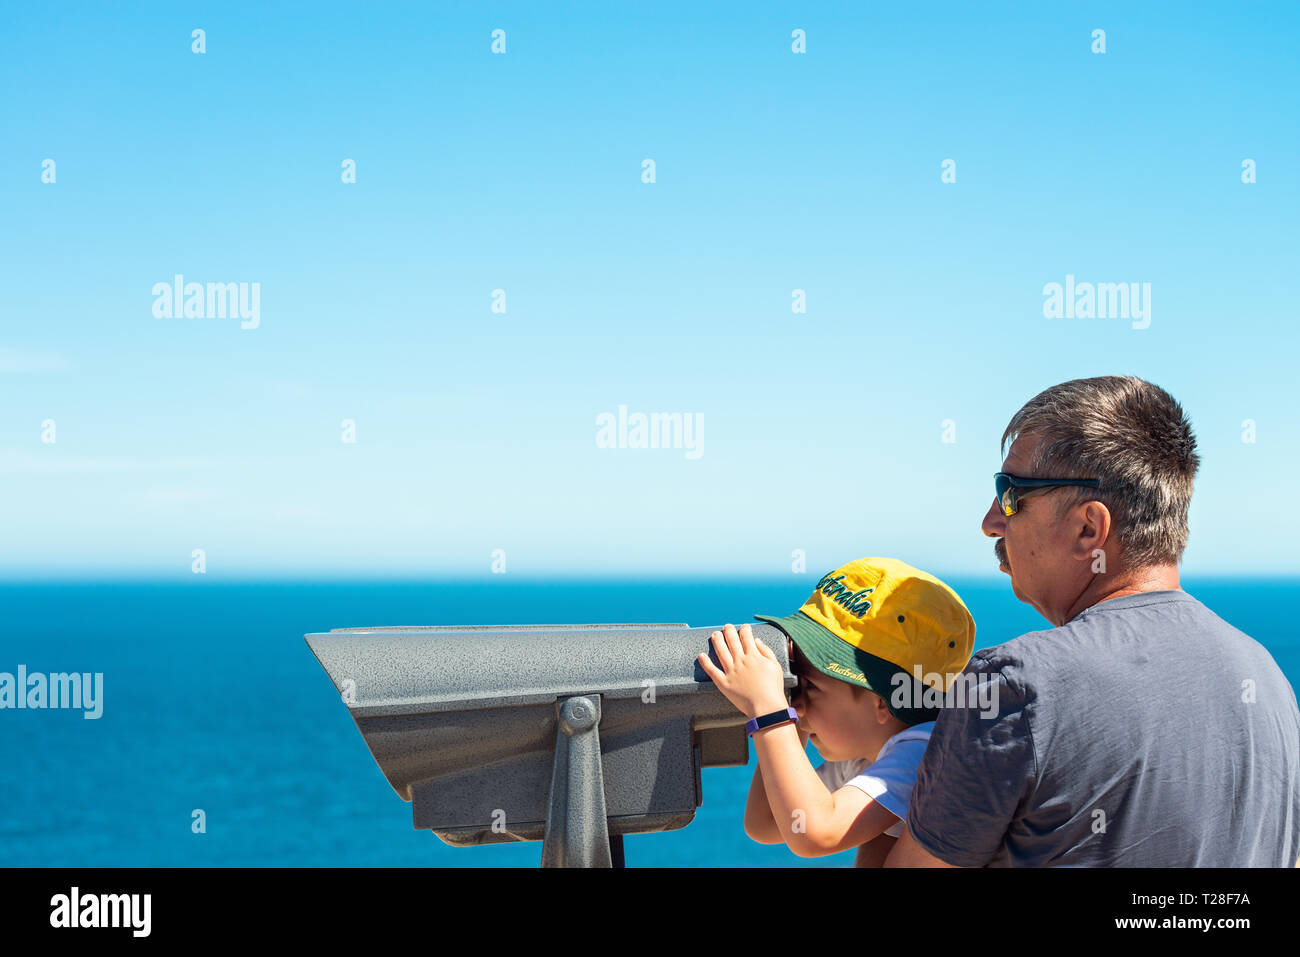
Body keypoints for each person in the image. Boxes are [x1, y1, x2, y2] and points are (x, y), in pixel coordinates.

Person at [886, 375, 1300, 867]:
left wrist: (877, 777)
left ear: (1089, 527)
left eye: (1012, 492)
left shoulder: (1013, 686)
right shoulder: (1268, 680)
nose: (992, 520)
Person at [698, 557, 974, 864]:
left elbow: (816, 834)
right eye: (795, 685)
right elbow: (768, 824)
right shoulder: (868, 755)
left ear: (882, 701)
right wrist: (788, 712)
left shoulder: (923, 755)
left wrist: (769, 710)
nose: (798, 703)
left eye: (810, 687)